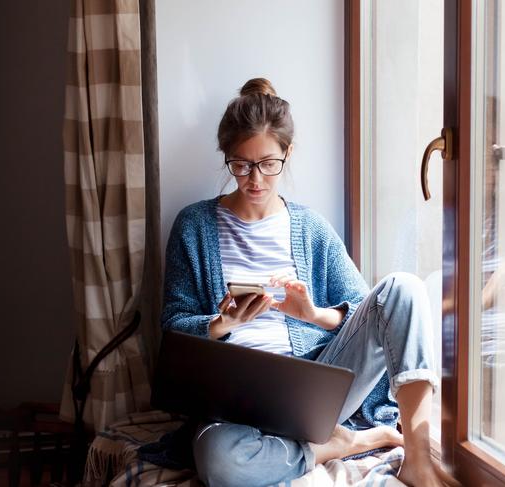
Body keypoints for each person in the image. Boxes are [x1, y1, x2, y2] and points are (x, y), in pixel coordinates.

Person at [161, 78, 459, 487]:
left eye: (268, 163)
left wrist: (314, 314)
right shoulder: (192, 226)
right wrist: (221, 323)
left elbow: (368, 311)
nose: (255, 179)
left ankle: (419, 458)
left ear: (287, 153)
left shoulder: (310, 228)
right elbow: (172, 328)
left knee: (403, 287)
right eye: (241, 165)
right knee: (221, 464)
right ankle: (341, 445)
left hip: (313, 392)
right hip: (231, 405)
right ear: (226, 157)